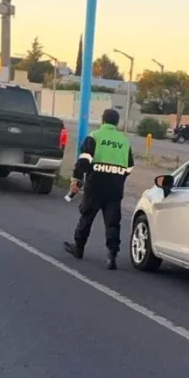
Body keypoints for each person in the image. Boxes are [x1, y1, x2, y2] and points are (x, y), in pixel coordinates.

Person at [63, 109, 134, 270]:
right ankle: (112, 256)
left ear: (103, 120)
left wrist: (77, 178)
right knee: (113, 222)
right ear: (117, 123)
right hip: (115, 188)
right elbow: (129, 166)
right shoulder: (124, 141)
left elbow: (84, 161)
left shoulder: (94, 136)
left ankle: (78, 248)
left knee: (87, 216)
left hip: (95, 185)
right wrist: (118, 176)